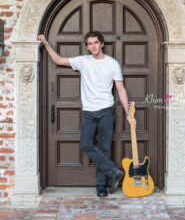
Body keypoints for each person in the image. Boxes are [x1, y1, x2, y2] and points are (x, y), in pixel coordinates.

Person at [38, 31, 136, 197]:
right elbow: (58, 60)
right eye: (90, 44)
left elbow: (121, 89)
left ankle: (101, 186)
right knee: (85, 144)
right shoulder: (83, 61)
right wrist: (45, 42)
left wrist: (129, 113)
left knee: (104, 149)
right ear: (87, 46)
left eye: (95, 42)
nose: (93, 46)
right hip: (89, 112)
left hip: (106, 110)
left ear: (101, 43)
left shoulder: (112, 64)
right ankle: (114, 172)